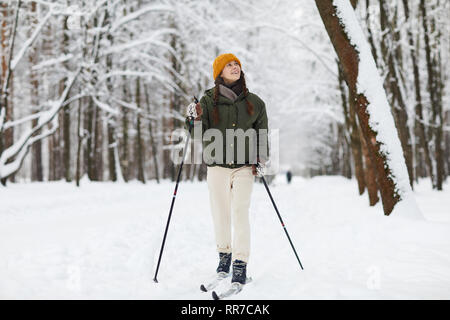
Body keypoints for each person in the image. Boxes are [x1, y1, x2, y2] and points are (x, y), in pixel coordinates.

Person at [185, 53, 269, 285]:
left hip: (244, 167)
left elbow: (262, 133)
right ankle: (224, 258)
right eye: (229, 65)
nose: (234, 67)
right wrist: (194, 119)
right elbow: (198, 136)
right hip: (217, 167)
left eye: (237, 64)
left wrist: (261, 158)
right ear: (219, 72)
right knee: (220, 213)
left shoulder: (255, 102)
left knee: (240, 213)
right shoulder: (208, 101)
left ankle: (240, 264)